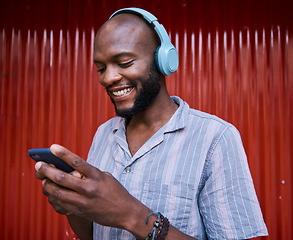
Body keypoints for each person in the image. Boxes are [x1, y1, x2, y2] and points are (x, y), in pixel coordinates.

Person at [35, 8, 268, 240]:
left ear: (163, 60)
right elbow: (93, 234)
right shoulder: (104, 134)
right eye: (101, 68)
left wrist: (132, 216)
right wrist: (73, 206)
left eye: (124, 63)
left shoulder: (215, 138)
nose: (107, 78)